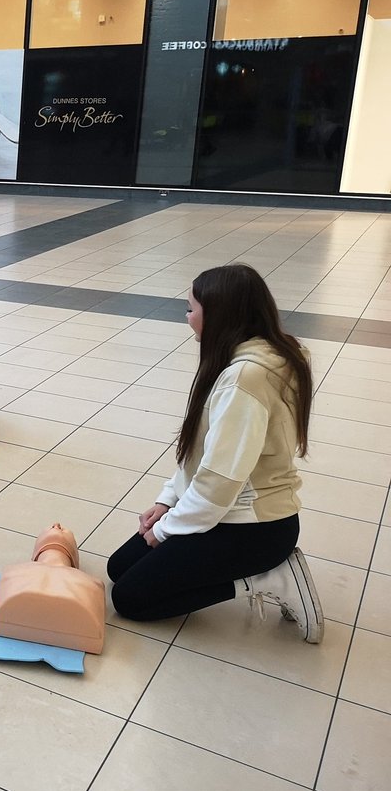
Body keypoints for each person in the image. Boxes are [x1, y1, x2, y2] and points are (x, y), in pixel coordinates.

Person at [107, 264, 324, 644]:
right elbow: (207, 453)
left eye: (191, 309)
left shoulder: (245, 378)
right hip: (233, 512)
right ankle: (243, 566)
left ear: (220, 314)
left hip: (255, 528)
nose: (187, 317)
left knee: (130, 599)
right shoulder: (271, 350)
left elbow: (218, 485)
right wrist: (167, 500)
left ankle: (265, 578)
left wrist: (165, 528)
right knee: (119, 567)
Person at [0, 523, 106, 654]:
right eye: (53, 527)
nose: (57, 524)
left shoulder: (10, 575)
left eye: (61, 529)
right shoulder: (92, 586)